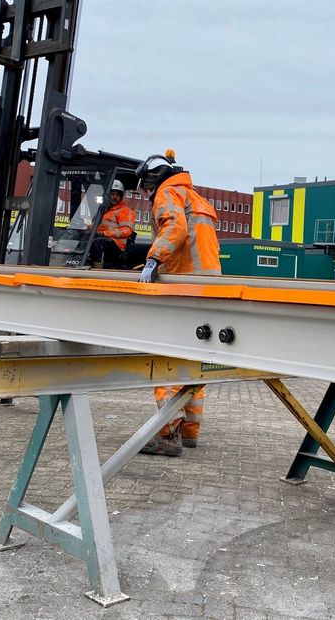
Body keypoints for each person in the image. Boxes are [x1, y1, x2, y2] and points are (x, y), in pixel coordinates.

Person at [133, 150, 221, 456]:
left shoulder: (167, 193)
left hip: (183, 289)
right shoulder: (197, 198)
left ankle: (167, 434)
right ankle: (189, 430)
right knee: (192, 362)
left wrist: (153, 259)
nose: (145, 193)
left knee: (167, 359)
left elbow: (175, 228)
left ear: (154, 179)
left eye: (145, 186)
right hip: (207, 290)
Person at [88, 180, 135, 269]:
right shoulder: (104, 210)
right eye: (112, 194)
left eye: (117, 195)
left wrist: (104, 233)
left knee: (98, 243)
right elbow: (96, 226)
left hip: (116, 244)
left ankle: (97, 268)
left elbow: (127, 231)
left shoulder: (125, 211)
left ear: (121, 196)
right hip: (102, 238)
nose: (114, 197)